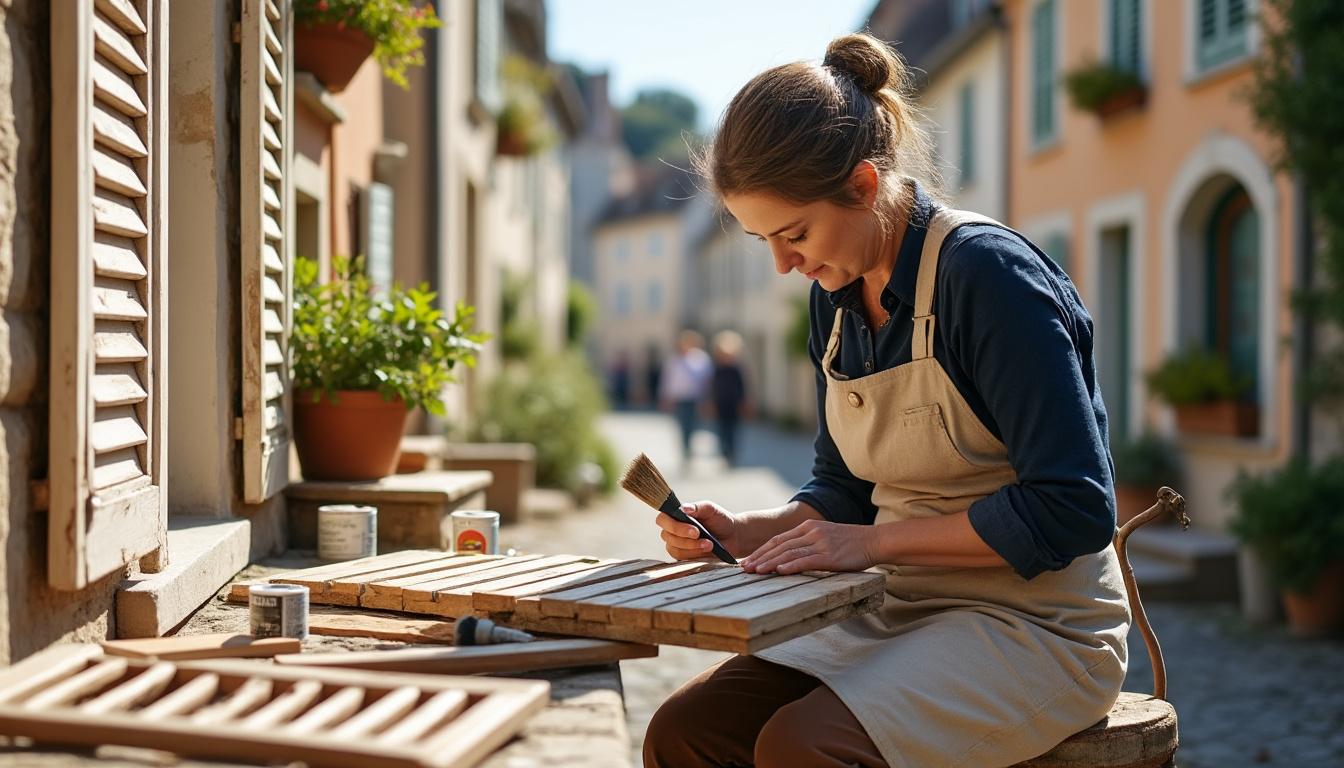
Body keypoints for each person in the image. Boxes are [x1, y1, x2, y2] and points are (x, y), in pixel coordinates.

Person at [644, 33, 1129, 768]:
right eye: (761, 240)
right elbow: (844, 490)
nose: (783, 264)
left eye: (794, 233)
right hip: (892, 610)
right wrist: (745, 531)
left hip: (1036, 626)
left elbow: (1074, 506)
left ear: (866, 186)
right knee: (684, 732)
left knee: (801, 749)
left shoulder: (988, 279)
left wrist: (867, 546)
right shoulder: (832, 297)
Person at [659, 330, 714, 464]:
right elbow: (667, 381)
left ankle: (690, 447)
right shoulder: (674, 360)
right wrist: (665, 397)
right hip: (680, 398)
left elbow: (708, 380)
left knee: (694, 425)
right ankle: (685, 450)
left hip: (696, 398)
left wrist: (708, 399)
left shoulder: (702, 359)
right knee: (682, 424)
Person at [710, 330, 750, 467]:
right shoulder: (717, 369)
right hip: (721, 404)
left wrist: (744, 403)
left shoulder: (736, 369)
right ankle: (724, 451)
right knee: (721, 430)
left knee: (733, 430)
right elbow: (713, 388)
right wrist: (711, 403)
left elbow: (742, 387)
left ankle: (731, 453)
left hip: (734, 404)